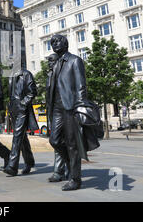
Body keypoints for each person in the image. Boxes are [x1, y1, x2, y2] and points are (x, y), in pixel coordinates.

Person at [47, 34, 99, 191]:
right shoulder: (56, 64)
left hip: (70, 107)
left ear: (65, 43)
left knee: (72, 144)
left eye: (57, 42)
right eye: (52, 43)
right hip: (56, 108)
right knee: (54, 140)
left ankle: (75, 179)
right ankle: (70, 165)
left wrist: (80, 106)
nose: (55, 45)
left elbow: (81, 86)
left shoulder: (75, 60)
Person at [3, 56, 38, 176]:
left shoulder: (26, 74)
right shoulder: (11, 75)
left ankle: (12, 166)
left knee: (17, 136)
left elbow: (32, 91)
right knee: (22, 138)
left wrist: (23, 103)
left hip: (22, 109)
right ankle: (29, 162)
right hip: (13, 109)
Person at [45, 53, 70, 182]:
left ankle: (60, 171)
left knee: (66, 141)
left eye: (51, 60)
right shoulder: (49, 76)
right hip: (54, 112)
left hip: (66, 111)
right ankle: (62, 169)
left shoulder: (64, 73)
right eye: (48, 61)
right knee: (55, 141)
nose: (49, 63)